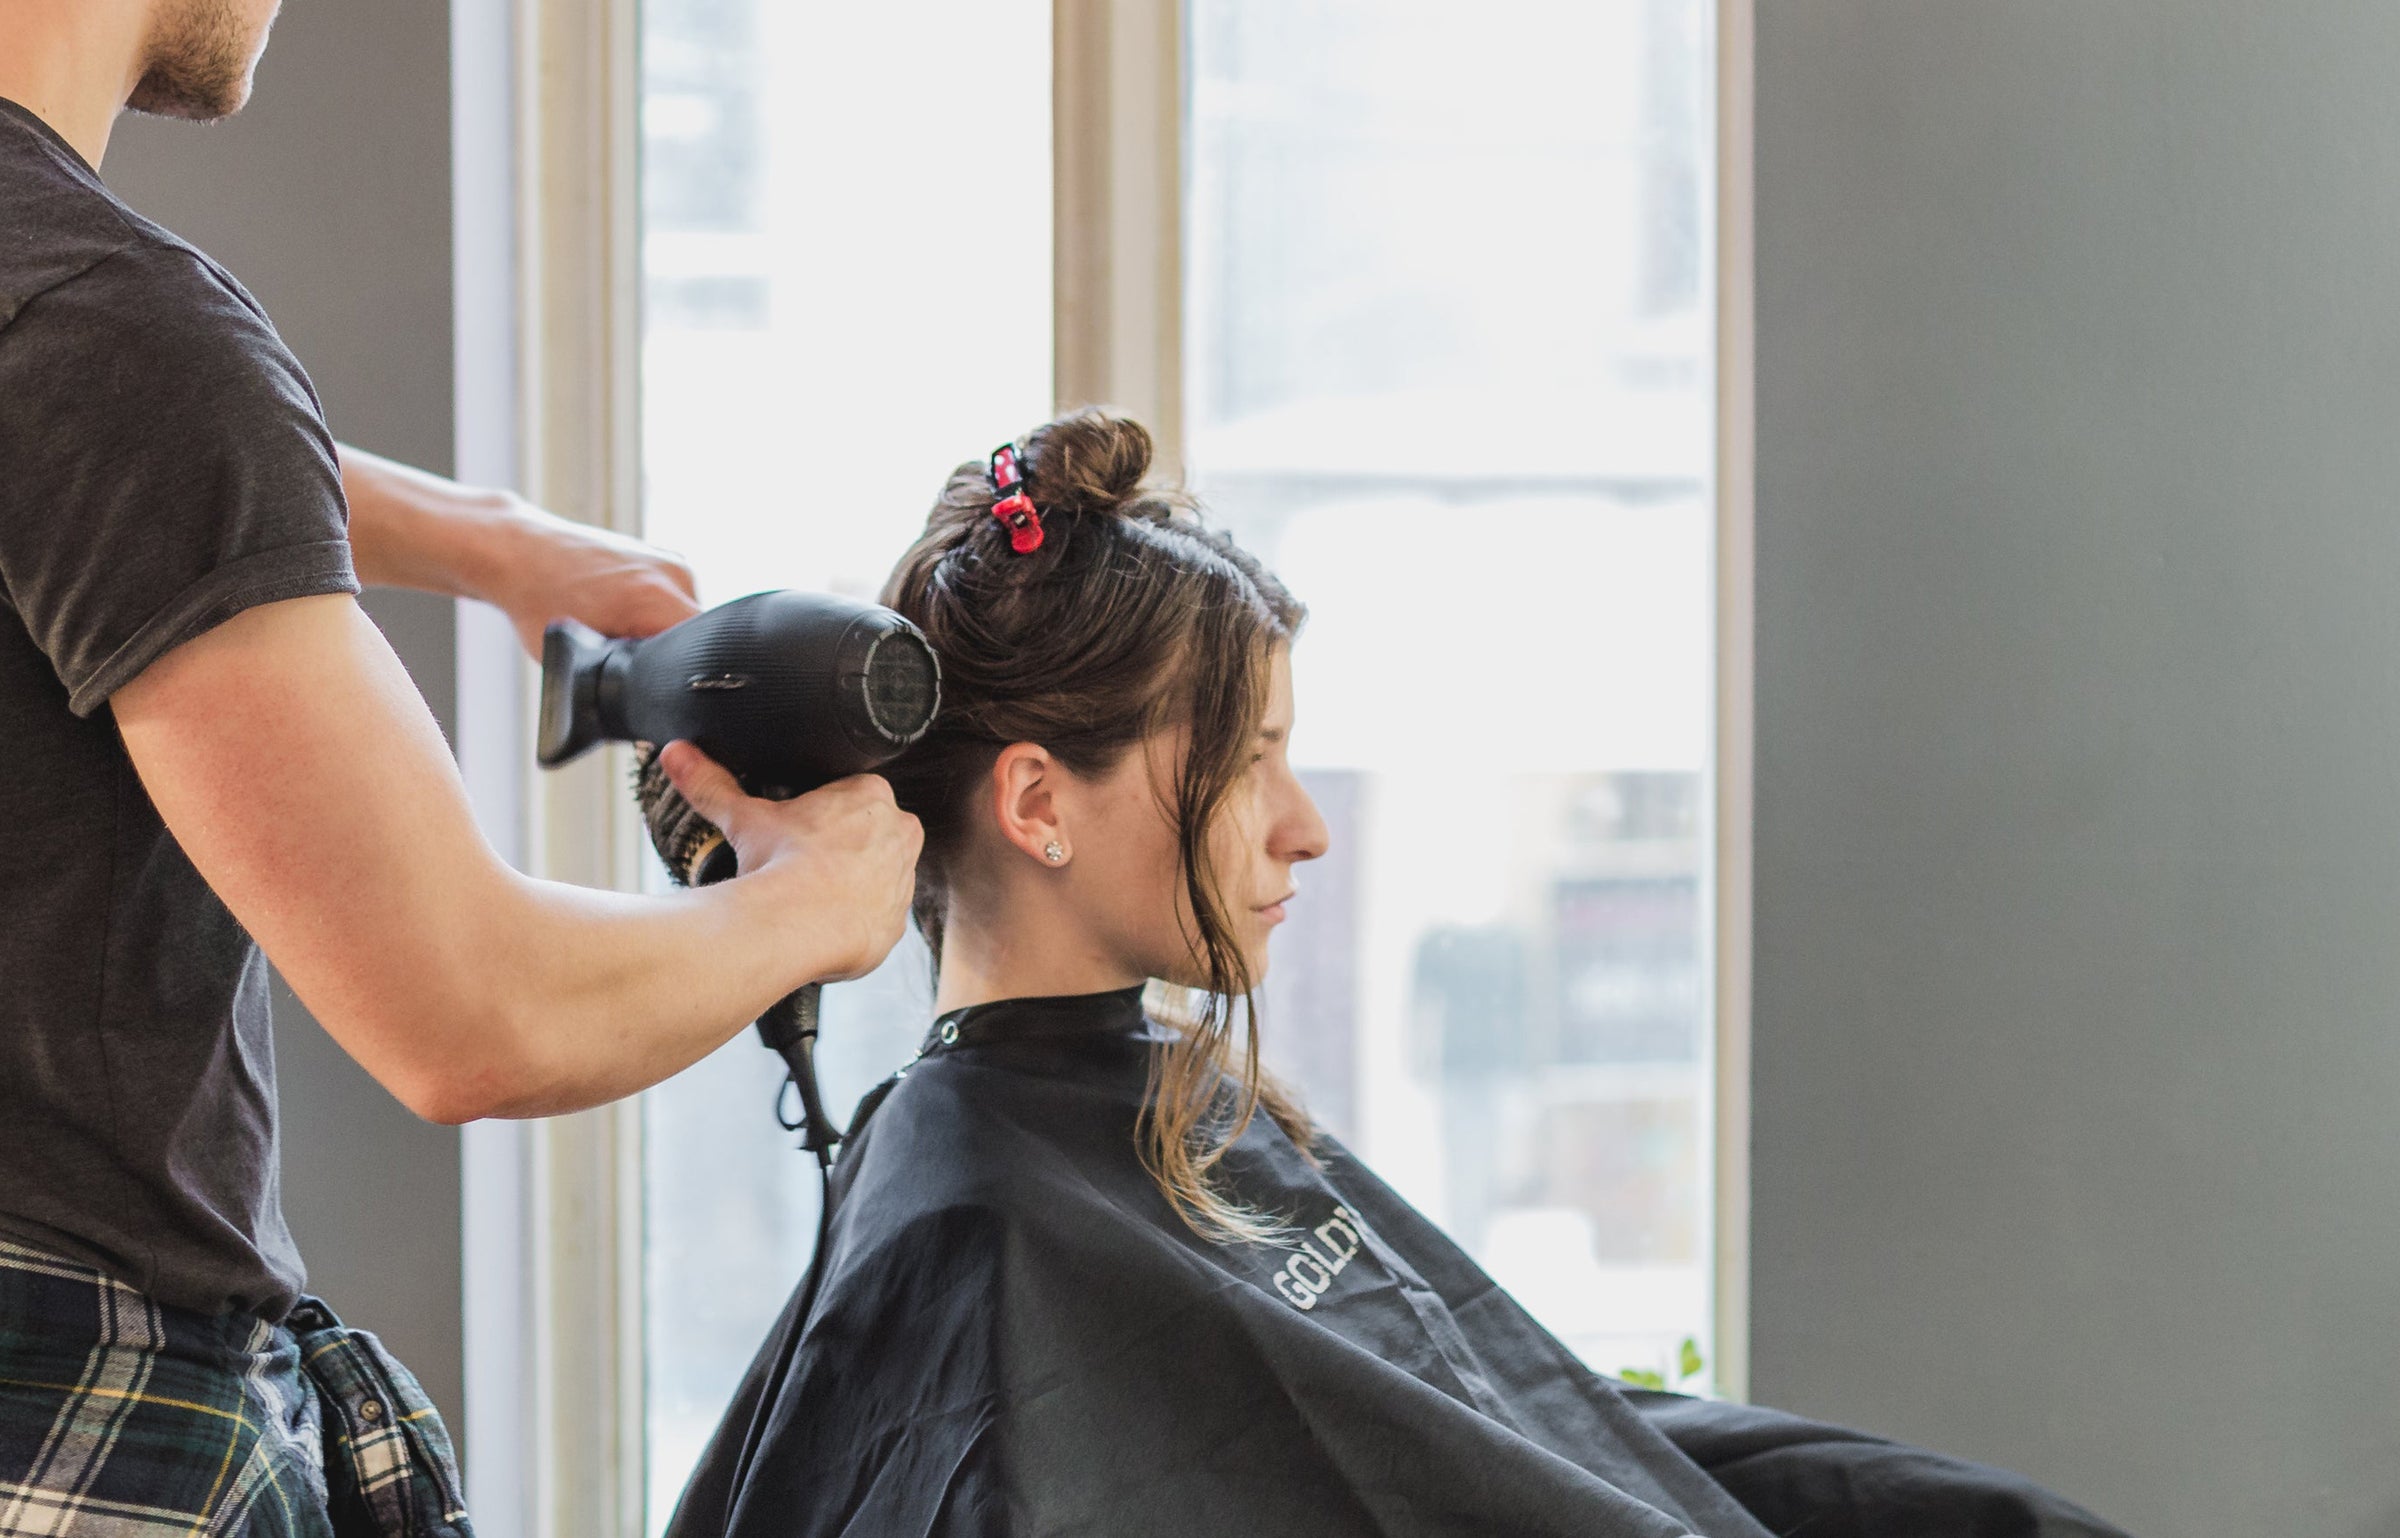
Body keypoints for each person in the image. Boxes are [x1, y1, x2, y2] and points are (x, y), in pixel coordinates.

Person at [660, 410, 2134, 1538]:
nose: (1302, 828)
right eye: (1246, 765)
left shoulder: (1168, 1099)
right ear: (1038, 804)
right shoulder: (972, 1223)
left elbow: (1508, 1404)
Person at [0, 2, 921, 1533]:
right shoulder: (119, 335)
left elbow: (92, 440)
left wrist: (496, 546)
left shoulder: (80, 334)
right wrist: (816, 902)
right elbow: (471, 1010)